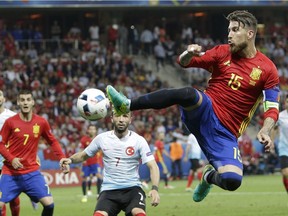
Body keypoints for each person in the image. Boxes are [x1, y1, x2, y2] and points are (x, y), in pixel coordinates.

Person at [106, 10, 279, 202]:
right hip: (205, 110)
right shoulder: (221, 52)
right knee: (188, 93)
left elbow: (272, 106)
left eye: (235, 30)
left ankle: (207, 177)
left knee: (232, 181)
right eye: (228, 30)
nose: (229, 34)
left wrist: (265, 129)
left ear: (250, 33)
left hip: (226, 133)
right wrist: (188, 53)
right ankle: (127, 104)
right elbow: (184, 62)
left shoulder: (267, 69)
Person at [60, 111, 160, 216]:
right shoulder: (102, 138)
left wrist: (155, 189)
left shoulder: (139, 140)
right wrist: (70, 160)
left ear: (130, 120)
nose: (121, 119)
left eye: (125, 116)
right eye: (117, 116)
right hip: (109, 190)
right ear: (112, 118)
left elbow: (153, 166)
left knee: (138, 214)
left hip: (133, 189)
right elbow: (83, 155)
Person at [0, 89, 67, 216]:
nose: (25, 103)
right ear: (18, 102)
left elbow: (52, 141)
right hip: (10, 173)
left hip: (31, 173)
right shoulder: (10, 122)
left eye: (28, 100)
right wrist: (11, 159)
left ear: (33, 102)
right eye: (22, 100)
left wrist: (62, 158)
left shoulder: (41, 122)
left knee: (49, 205)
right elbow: (0, 144)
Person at [0, 90, 20, 216]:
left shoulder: (12, 116)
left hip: (8, 160)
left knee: (13, 196)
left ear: (4, 98)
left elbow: (22, 136)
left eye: (0, 95)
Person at [271, 95, 288, 193]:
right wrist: (272, 141)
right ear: (284, 103)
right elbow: (274, 128)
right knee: (285, 172)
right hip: (284, 148)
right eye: (287, 101)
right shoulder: (280, 116)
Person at [79, 124, 99, 202]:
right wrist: (82, 160)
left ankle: (98, 195)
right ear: (88, 130)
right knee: (84, 178)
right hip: (86, 162)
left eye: (93, 129)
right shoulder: (84, 139)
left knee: (99, 177)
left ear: (95, 130)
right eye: (90, 129)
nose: (92, 130)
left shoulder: (98, 139)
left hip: (95, 162)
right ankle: (84, 196)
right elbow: (81, 150)